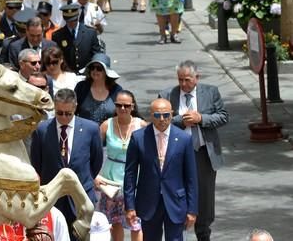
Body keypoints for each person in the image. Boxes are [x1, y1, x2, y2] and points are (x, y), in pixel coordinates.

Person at [159, 61, 229, 241]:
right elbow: (158, 122)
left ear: (197, 78)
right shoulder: (167, 95)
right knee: (177, 194)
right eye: (180, 80)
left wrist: (201, 118)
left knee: (204, 197)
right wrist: (180, 121)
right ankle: (177, 232)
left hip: (203, 154)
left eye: (187, 80)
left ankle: (203, 233)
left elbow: (223, 116)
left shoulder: (211, 92)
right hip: (176, 154)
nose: (183, 84)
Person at [30, 88, 103, 241]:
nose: (64, 117)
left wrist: (84, 180)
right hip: (52, 198)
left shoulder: (90, 129)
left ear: (75, 107)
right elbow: (36, 163)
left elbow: (96, 161)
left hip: (81, 196)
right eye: (59, 113)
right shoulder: (42, 130)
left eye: (68, 113)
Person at [123, 98, 198, 241]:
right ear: (151, 115)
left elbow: (191, 177)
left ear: (172, 114)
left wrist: (192, 210)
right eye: (157, 115)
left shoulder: (184, 139)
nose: (162, 119)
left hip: (176, 202)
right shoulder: (139, 138)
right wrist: (130, 206)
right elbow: (130, 174)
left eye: (166, 115)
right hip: (148, 202)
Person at [95, 91, 147, 241]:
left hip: (133, 179)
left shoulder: (141, 125)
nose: (122, 108)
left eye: (126, 105)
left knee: (135, 223)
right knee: (115, 222)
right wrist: (95, 175)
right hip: (110, 181)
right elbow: (93, 152)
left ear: (133, 106)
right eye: (119, 105)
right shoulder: (106, 125)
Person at [51, 3, 102, 73]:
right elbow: (57, 57)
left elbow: (97, 55)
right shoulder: (58, 35)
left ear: (77, 17)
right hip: (67, 74)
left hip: (87, 73)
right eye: (69, 21)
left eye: (74, 20)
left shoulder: (90, 33)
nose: (71, 23)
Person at [76, 53, 123, 125]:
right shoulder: (81, 87)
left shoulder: (116, 90)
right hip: (84, 132)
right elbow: (72, 110)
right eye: (92, 67)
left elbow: (126, 111)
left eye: (99, 68)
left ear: (106, 71)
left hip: (108, 134)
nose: (95, 71)